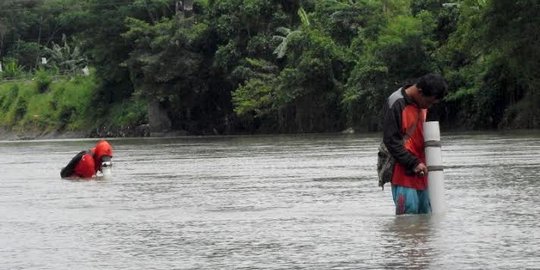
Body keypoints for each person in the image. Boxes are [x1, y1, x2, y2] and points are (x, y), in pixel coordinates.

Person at [382, 73, 447, 215]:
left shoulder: (423, 103)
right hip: (403, 173)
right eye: (429, 102)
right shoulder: (396, 102)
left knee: (426, 219)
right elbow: (391, 141)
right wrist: (413, 163)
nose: (429, 106)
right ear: (420, 92)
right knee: (406, 219)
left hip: (423, 172)